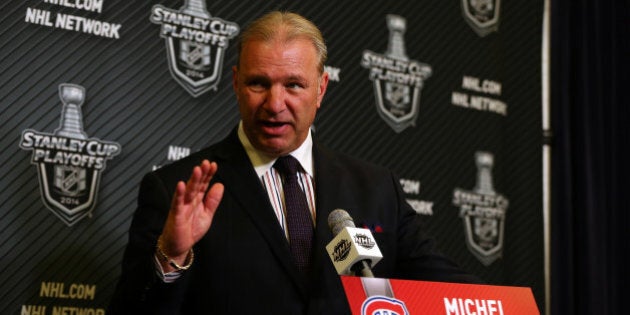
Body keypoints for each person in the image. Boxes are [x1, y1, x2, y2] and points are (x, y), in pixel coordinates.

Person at [108, 10, 481, 314]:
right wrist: (170, 257)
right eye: (258, 83)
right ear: (236, 84)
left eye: (293, 85)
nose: (274, 104)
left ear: (320, 89)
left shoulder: (376, 188)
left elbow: (449, 291)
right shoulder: (178, 189)